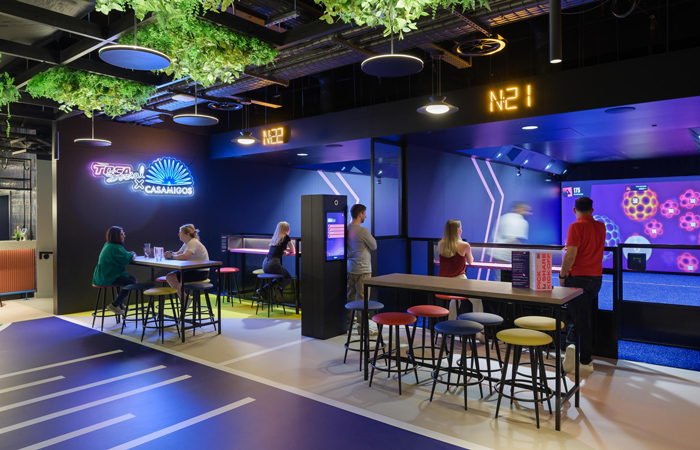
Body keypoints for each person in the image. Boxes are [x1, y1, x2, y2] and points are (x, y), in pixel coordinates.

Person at [559, 197, 605, 374]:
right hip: (596, 279)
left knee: (578, 319)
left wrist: (562, 275)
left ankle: (582, 358)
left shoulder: (575, 226)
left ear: (574, 210)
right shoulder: (601, 226)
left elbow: (570, 256)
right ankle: (579, 354)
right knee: (582, 317)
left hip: (578, 278)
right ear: (592, 210)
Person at [437, 219, 483, 321]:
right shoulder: (464, 245)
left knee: (454, 300)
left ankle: (450, 323)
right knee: (476, 300)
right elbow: (470, 261)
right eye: (461, 228)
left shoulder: (441, 243)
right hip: (458, 280)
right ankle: (480, 326)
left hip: (442, 281)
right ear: (458, 230)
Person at [92, 226, 137, 315]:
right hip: (108, 277)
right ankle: (115, 304)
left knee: (132, 280)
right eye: (122, 234)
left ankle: (119, 303)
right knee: (131, 282)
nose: (124, 236)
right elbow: (127, 258)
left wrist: (130, 254)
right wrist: (133, 254)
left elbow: (124, 255)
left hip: (103, 275)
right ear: (116, 236)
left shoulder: (108, 245)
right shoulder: (115, 247)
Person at [347, 204, 377, 333]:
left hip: (350, 268)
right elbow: (374, 246)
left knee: (350, 296)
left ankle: (348, 323)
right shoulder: (363, 231)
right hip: (363, 270)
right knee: (362, 299)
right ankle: (362, 327)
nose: (365, 216)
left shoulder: (346, 228)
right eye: (364, 213)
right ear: (360, 214)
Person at [164, 224, 210, 298]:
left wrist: (171, 256)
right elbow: (178, 253)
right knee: (170, 277)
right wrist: (170, 253)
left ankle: (184, 299)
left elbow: (185, 256)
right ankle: (185, 298)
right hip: (193, 271)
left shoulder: (193, 242)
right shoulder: (187, 243)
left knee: (171, 277)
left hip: (201, 273)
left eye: (180, 232)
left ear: (187, 234)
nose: (179, 234)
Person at [492, 202, 532, 281]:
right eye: (525, 210)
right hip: (507, 256)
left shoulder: (504, 217)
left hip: (499, 254)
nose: (528, 213)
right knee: (510, 280)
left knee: (499, 278)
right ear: (518, 209)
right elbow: (512, 239)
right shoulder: (519, 220)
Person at [257, 221, 296, 303]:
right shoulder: (286, 237)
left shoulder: (275, 238)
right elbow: (293, 250)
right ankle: (279, 289)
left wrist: (282, 251)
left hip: (265, 263)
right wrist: (286, 250)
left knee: (280, 278)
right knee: (288, 278)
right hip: (273, 264)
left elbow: (277, 249)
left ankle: (263, 289)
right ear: (286, 229)